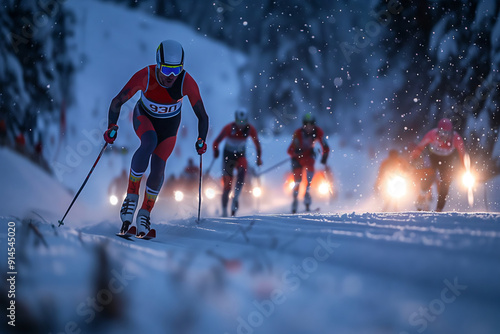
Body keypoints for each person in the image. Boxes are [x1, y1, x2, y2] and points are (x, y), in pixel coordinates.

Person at [103, 40, 209, 236]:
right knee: (149, 142)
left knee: (159, 166)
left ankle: (144, 214)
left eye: (176, 70)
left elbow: (203, 116)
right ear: (158, 65)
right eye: (167, 70)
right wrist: (112, 126)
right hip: (144, 118)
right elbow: (117, 101)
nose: (171, 77)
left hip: (169, 128)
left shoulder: (186, 82)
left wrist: (202, 139)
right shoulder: (146, 75)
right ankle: (131, 199)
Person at [409, 118, 466, 212]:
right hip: (433, 157)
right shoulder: (432, 134)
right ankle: (422, 195)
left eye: (447, 133)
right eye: (442, 132)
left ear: (451, 132)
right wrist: (413, 158)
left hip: (447, 160)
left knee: (446, 182)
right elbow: (420, 147)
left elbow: (462, 154)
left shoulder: (456, 138)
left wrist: (465, 169)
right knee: (429, 175)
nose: (444, 135)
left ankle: (439, 209)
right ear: (438, 131)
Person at [212, 109, 262, 217]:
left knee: (242, 170)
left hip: (240, 156)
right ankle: (225, 210)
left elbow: (257, 144)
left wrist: (259, 158)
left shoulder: (250, 130)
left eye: (243, 122)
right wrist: (216, 150)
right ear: (235, 120)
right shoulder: (228, 128)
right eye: (239, 122)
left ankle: (236, 197)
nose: (241, 126)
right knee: (227, 185)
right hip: (228, 157)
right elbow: (216, 141)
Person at [287, 112, 329, 213]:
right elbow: (290, 150)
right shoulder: (298, 133)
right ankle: (295, 201)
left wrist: (324, 156)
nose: (309, 127)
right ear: (303, 125)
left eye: (311, 125)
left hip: (308, 158)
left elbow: (325, 146)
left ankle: (307, 200)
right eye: (306, 125)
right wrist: (297, 152)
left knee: (309, 180)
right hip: (297, 159)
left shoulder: (318, 132)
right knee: (297, 180)